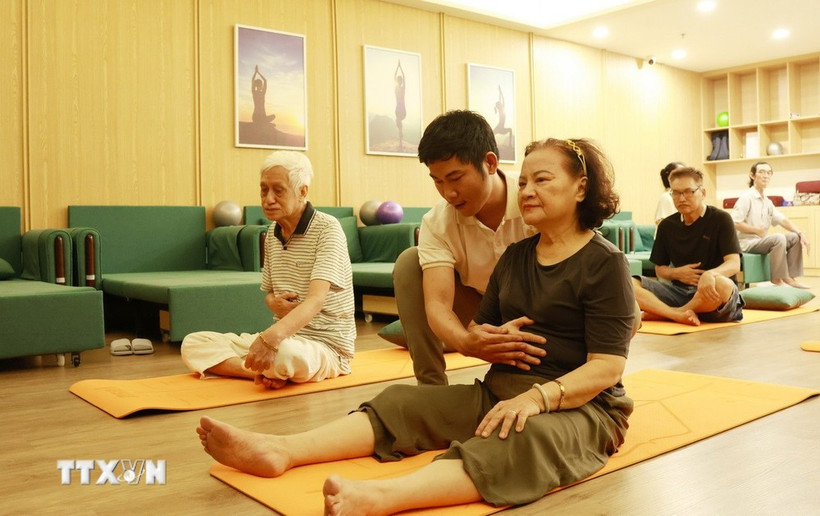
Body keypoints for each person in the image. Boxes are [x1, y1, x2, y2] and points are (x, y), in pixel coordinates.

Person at [196, 137, 636, 514]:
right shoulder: (517, 256)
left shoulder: (604, 263)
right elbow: (480, 330)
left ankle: (383, 496)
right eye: (522, 181)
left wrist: (539, 398)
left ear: (581, 188)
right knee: (402, 401)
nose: (527, 190)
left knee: (519, 435)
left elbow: (608, 368)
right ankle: (281, 450)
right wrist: (479, 340)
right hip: (500, 393)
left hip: (583, 408)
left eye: (542, 180)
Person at [391, 110, 544, 385]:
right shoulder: (438, 222)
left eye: (456, 177)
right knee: (409, 262)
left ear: (490, 163)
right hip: (480, 307)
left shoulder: (533, 200)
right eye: (438, 181)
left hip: (539, 307)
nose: (448, 192)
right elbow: (437, 304)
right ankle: (432, 388)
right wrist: (465, 342)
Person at [181, 151, 356, 389]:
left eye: (278, 190)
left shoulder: (328, 229)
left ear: (302, 191)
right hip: (283, 337)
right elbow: (270, 295)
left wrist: (270, 338)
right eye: (264, 190)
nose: (268, 199)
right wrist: (274, 305)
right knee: (193, 343)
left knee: (284, 354)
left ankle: (269, 367)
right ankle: (262, 372)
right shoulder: (272, 233)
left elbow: (315, 302)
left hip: (325, 347)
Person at [632, 166, 744, 326]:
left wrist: (710, 275)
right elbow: (660, 269)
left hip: (714, 296)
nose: (682, 198)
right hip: (680, 293)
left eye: (688, 192)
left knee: (723, 285)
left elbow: (734, 263)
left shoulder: (721, 219)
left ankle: (672, 313)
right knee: (629, 283)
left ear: (703, 193)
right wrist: (676, 273)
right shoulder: (666, 226)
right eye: (676, 193)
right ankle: (676, 314)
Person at [731, 161, 811, 289]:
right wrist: (755, 230)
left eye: (769, 173)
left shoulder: (766, 201)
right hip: (746, 244)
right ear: (752, 176)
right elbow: (734, 222)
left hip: (760, 242)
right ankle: (777, 279)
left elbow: (782, 220)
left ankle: (790, 278)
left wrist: (800, 233)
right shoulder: (746, 198)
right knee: (778, 238)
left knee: (794, 237)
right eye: (761, 172)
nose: (765, 176)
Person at [394, 60, 406, 148]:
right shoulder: (398, 88)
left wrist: (399, 68)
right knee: (399, 122)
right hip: (400, 107)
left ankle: (400, 139)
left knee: (399, 122)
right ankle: (400, 139)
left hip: (400, 107)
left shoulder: (400, 88)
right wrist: (398, 67)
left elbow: (403, 78)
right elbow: (395, 77)